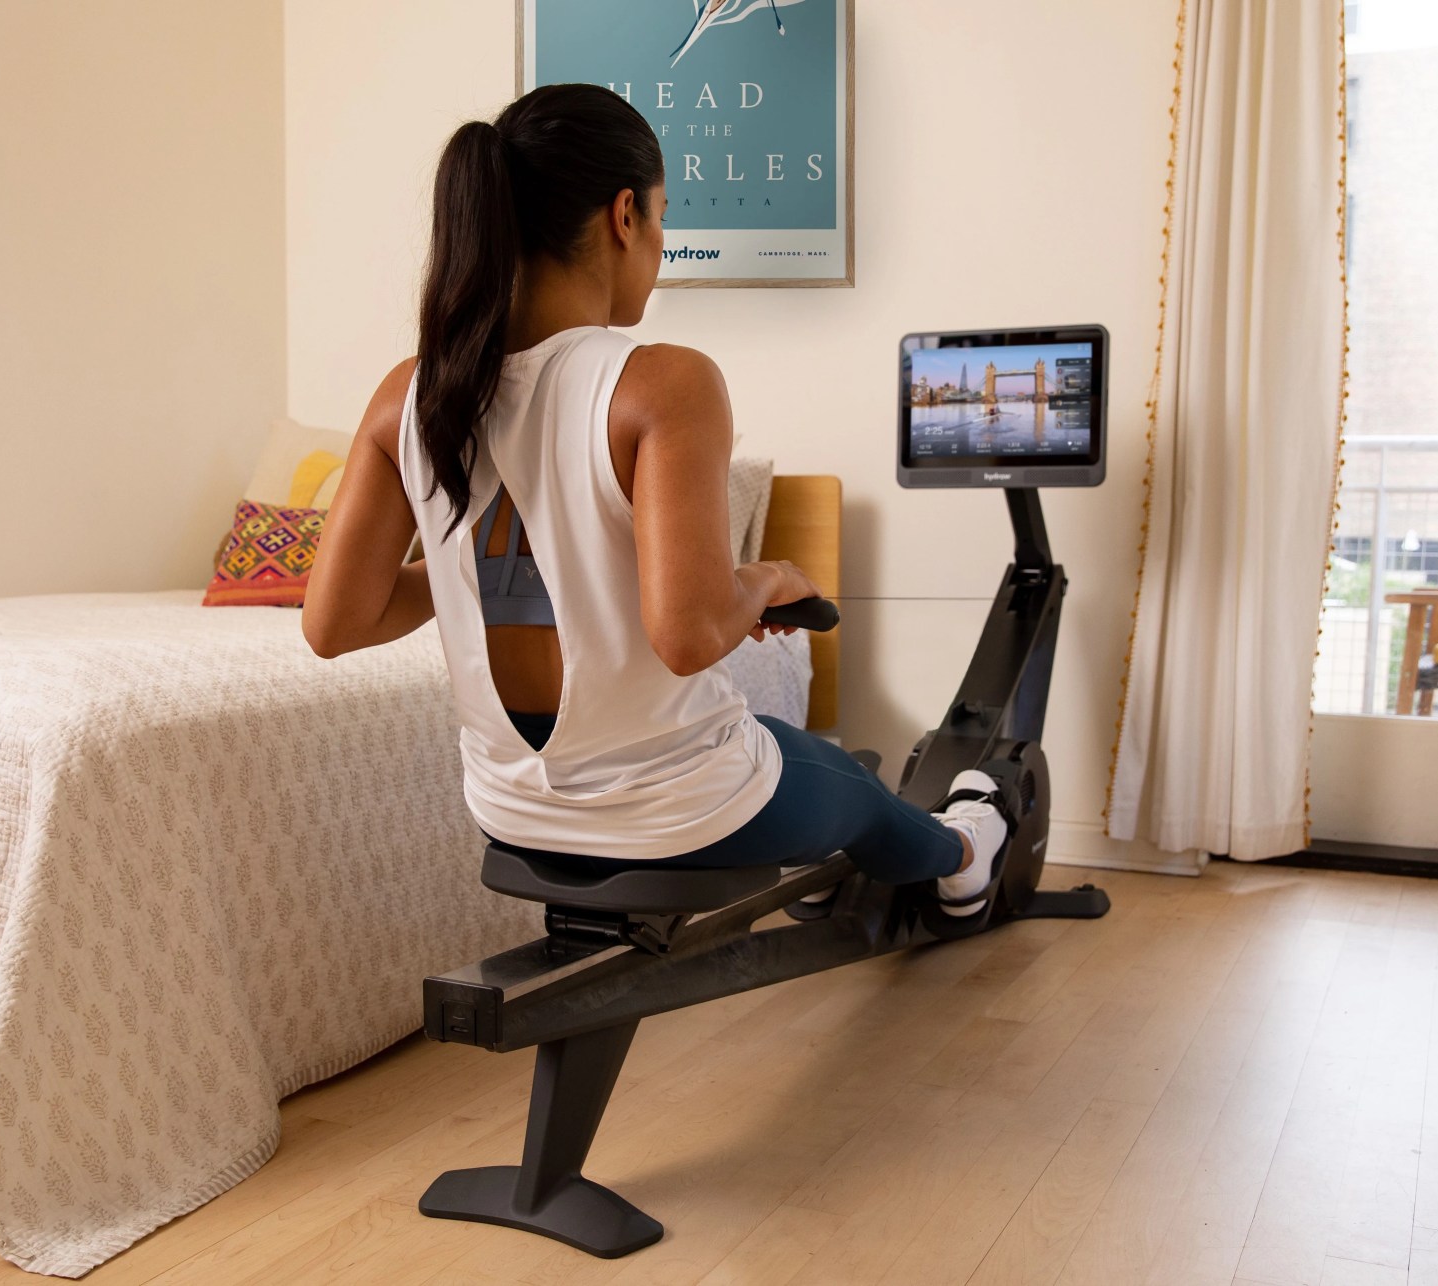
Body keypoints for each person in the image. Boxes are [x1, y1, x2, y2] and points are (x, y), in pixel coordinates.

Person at [300, 83, 1006, 915]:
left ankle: (896, 854)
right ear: (623, 215)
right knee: (850, 785)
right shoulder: (662, 382)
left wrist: (483, 569)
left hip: (511, 813)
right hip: (684, 813)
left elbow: (334, 623)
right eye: (664, 217)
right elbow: (690, 633)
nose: (663, 243)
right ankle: (964, 853)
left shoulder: (406, 395)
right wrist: (771, 577)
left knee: (818, 772)